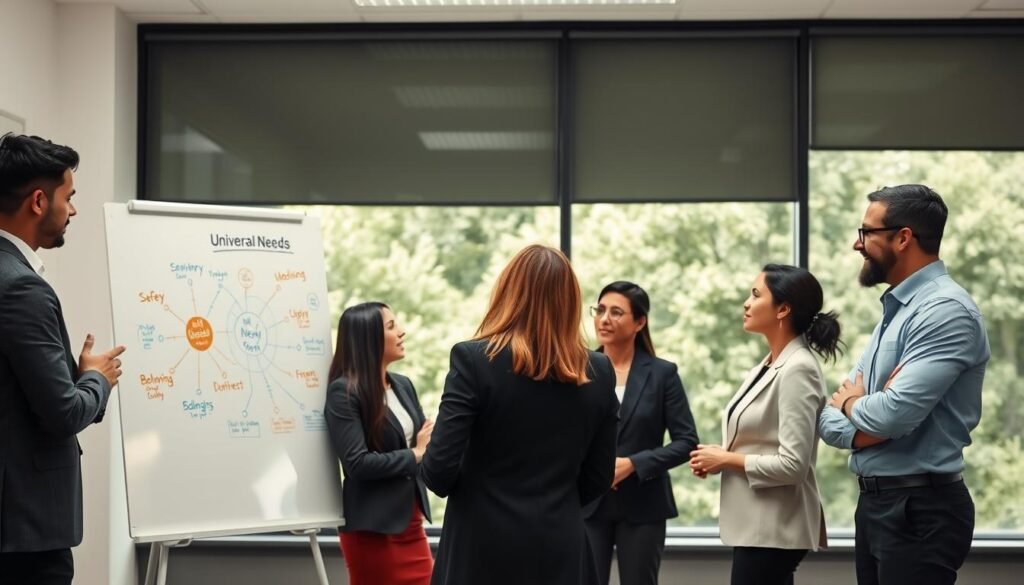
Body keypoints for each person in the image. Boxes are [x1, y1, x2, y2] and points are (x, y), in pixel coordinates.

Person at [818, 184, 989, 585]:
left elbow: (891, 415)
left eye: (866, 233)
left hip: (920, 509)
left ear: (903, 237)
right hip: (878, 503)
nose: (855, 244)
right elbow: (828, 418)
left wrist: (853, 406)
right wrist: (861, 420)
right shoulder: (898, 310)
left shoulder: (945, 311)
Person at [421, 244, 618, 585]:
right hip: (561, 547)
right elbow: (599, 478)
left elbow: (437, 473)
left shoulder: (474, 360)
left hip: (480, 549)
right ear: (570, 301)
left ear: (507, 293)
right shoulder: (599, 369)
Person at [0, 133, 125, 584]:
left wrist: (66, 376)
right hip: (24, 534)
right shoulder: (22, 288)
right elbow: (63, 412)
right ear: (38, 201)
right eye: (68, 197)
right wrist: (98, 378)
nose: (72, 210)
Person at [690, 264, 838, 585]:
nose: (746, 302)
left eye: (756, 295)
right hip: (759, 529)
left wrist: (727, 460)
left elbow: (793, 465)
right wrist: (720, 456)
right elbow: (761, 439)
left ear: (783, 309)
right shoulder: (770, 363)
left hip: (773, 529)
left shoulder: (798, 368)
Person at [583, 281, 699, 585]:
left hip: (644, 505)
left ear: (640, 322)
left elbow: (687, 442)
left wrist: (632, 463)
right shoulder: (578, 369)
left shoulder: (662, 374)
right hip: (587, 503)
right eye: (600, 310)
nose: (605, 319)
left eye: (616, 312)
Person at [324, 302, 434, 585]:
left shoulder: (403, 384)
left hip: (411, 522)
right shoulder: (344, 392)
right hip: (373, 531)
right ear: (367, 338)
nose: (402, 332)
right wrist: (416, 453)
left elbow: (424, 443)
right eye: (391, 326)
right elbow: (357, 463)